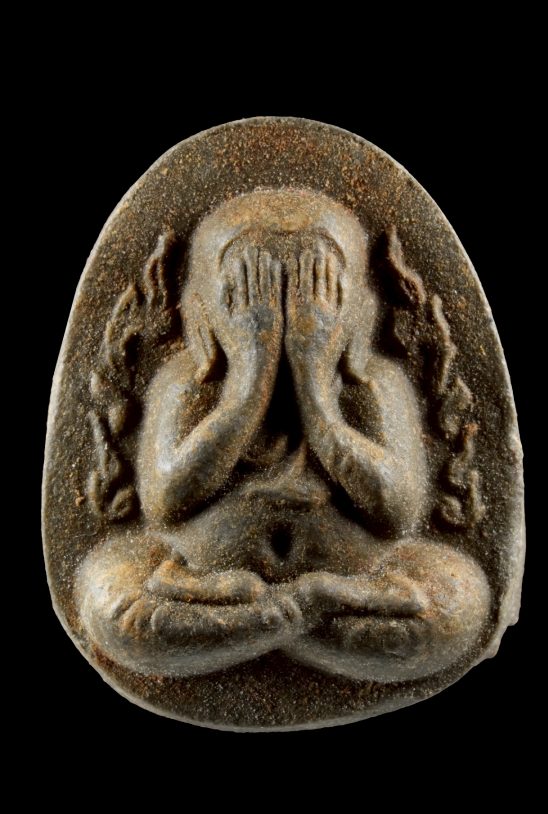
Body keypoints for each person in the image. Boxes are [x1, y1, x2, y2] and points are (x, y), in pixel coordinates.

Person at [77, 189, 490, 681]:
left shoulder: (373, 386)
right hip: (201, 582)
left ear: (359, 312)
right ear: (203, 312)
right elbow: (166, 501)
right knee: (107, 599)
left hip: (344, 583)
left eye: (317, 288)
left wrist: (316, 391)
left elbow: (397, 512)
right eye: (250, 290)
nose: (281, 313)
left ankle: (265, 622)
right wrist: (248, 381)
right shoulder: (186, 385)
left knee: (461, 599)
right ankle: (296, 616)